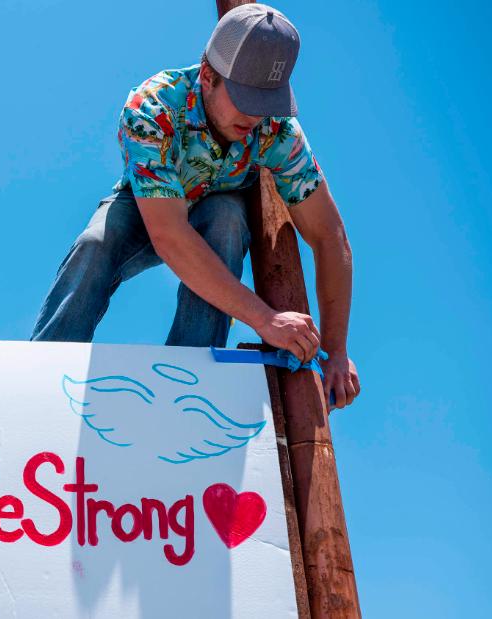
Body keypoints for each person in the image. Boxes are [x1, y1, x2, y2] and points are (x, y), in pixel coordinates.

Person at [30, 4, 360, 410]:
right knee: (98, 241)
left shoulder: (277, 131)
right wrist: (266, 319)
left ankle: (188, 383)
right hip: (151, 206)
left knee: (225, 221)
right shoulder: (152, 109)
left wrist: (337, 349)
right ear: (207, 75)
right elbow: (169, 235)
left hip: (217, 206)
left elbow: (330, 236)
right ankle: (39, 374)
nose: (255, 116)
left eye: (266, 101)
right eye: (244, 99)